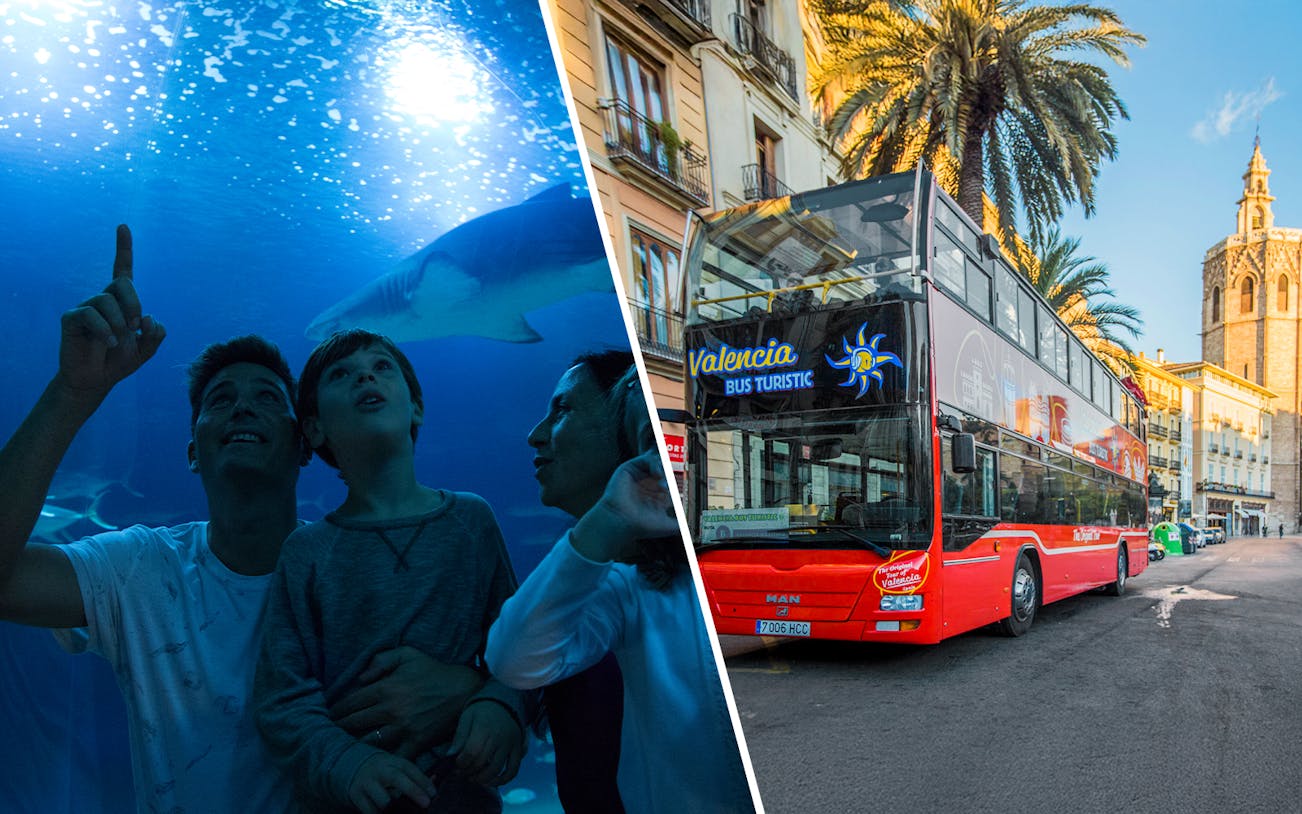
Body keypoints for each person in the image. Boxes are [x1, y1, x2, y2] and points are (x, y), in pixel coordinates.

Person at [0, 227, 482, 813]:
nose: (243, 406)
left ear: (306, 441)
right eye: (220, 399)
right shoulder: (137, 570)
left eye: (269, 398)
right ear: (192, 449)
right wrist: (73, 392)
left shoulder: (356, 563)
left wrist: (476, 691)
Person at [254, 329, 532, 814]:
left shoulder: (471, 521)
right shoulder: (307, 551)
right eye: (340, 374)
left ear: (416, 407)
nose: (365, 374)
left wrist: (501, 704)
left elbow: (518, 652)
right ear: (315, 429)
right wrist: (347, 763)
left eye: (383, 366)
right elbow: (282, 700)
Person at [485, 352, 755, 814]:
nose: (535, 435)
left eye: (563, 410)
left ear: (621, 439)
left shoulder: (645, 581)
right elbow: (514, 659)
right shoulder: (620, 582)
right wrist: (609, 519)